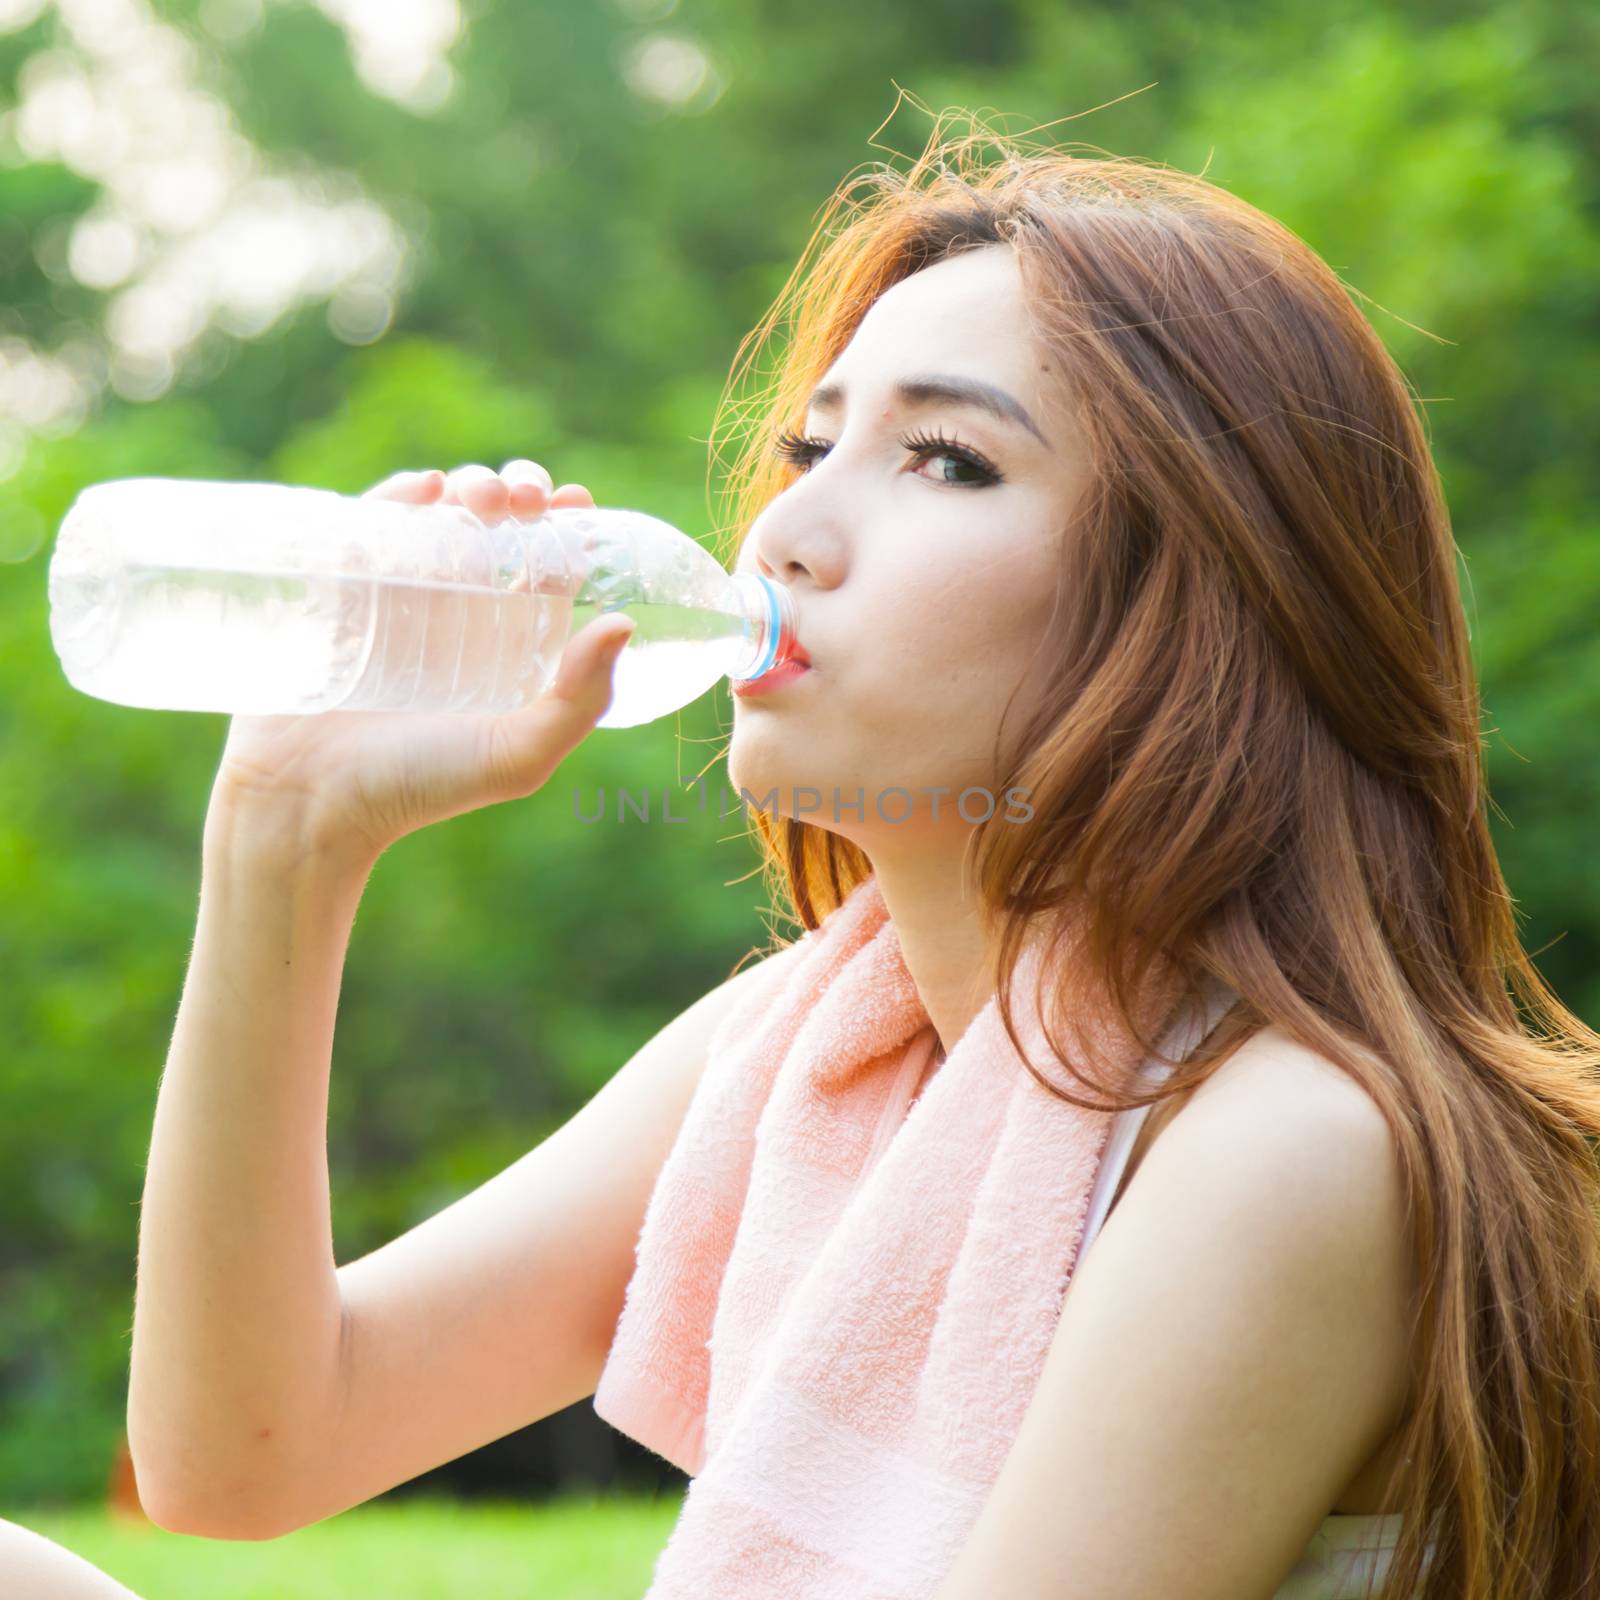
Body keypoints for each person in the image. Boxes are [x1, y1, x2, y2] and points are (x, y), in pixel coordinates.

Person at [114, 125, 1600, 1600]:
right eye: (810, 446)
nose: (790, 532)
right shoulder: (810, 1062)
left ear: (1195, 598)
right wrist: (282, 840)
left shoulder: (1292, 1146)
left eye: (947, 461)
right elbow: (243, 1453)